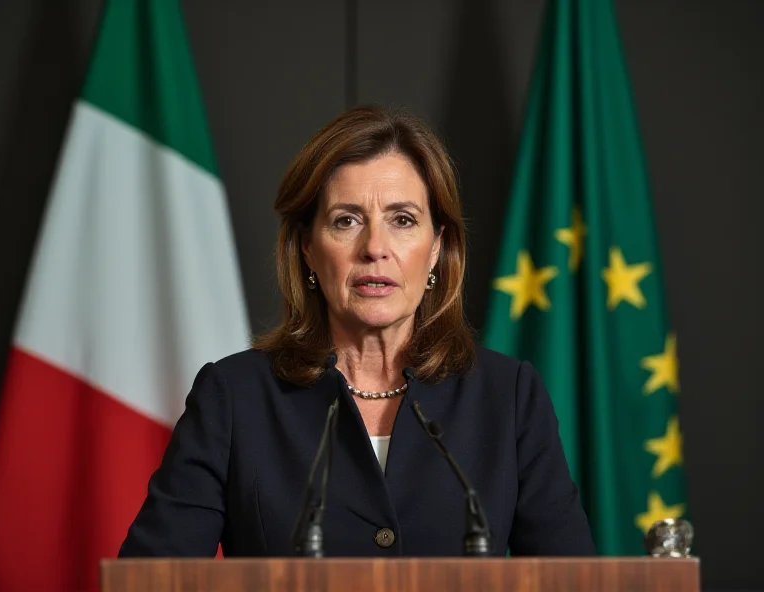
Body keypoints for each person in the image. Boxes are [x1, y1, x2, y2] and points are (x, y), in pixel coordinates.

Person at [118, 105, 595, 557]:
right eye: (346, 220)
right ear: (307, 247)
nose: (375, 248)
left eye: (403, 220)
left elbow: (572, 581)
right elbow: (150, 578)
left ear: (435, 248)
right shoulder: (234, 397)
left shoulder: (507, 398)